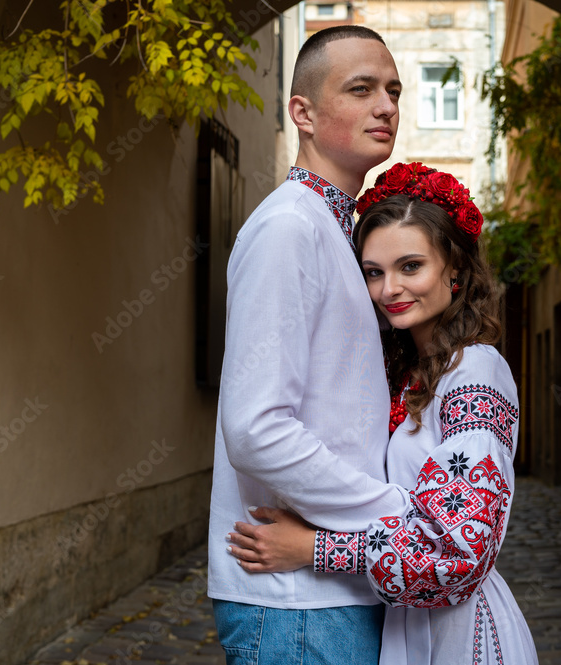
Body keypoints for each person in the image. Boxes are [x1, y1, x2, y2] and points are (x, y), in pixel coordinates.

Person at [228, 162, 539, 665]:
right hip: (406, 625)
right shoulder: (411, 372)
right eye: (374, 272)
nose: (389, 289)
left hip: (457, 632)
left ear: (455, 271)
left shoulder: (474, 372)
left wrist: (313, 549)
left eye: (411, 266)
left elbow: (460, 553)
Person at [207, 26, 412, 665]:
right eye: (361, 89)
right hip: (297, 607)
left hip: (329, 595)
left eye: (393, 91)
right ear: (302, 113)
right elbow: (255, 427)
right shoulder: (290, 227)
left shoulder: (332, 229)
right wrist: (392, 514)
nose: (386, 106)